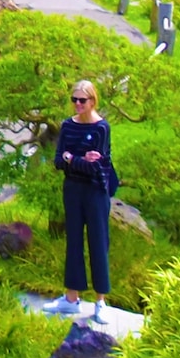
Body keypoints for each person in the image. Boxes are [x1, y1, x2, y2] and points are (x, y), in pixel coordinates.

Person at [50, 79, 119, 320]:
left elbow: (98, 166)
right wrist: (76, 160)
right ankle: (71, 297)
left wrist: (72, 159)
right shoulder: (68, 126)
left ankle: (101, 301)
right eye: (74, 100)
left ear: (93, 101)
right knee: (74, 242)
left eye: (82, 100)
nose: (78, 104)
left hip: (95, 191)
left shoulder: (102, 128)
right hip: (73, 189)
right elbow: (59, 160)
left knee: (98, 243)